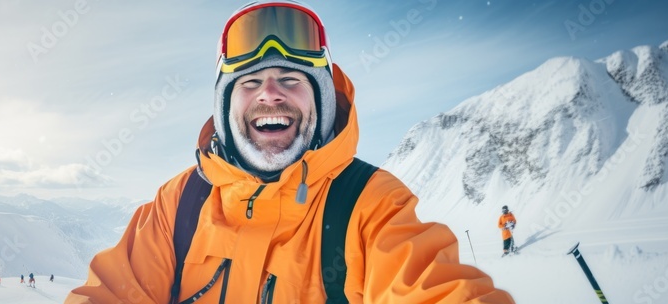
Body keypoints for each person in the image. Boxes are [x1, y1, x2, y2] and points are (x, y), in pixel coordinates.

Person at [66, 1, 514, 303]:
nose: (271, 94)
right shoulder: (180, 203)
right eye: (250, 82)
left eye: (291, 79)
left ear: (319, 101)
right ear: (226, 106)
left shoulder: (370, 204)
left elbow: (428, 286)